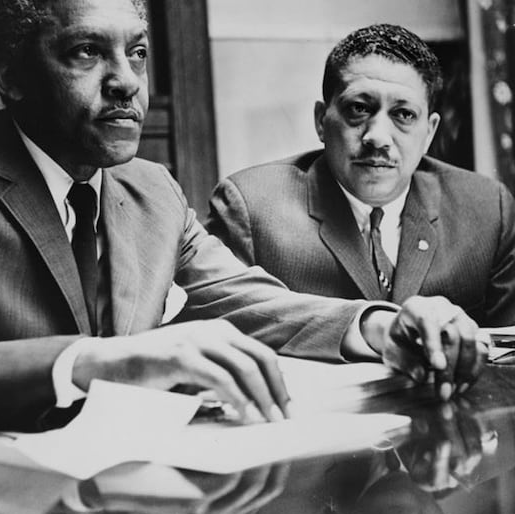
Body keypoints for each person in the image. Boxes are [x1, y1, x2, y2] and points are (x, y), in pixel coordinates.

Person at [0, 0, 483, 433]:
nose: (128, 81)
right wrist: (92, 362)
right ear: (10, 75)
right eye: (86, 51)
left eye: (137, 52)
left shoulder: (150, 189)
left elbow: (252, 301)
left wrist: (383, 326)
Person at [207, 23, 513, 353]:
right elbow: (216, 339)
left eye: (404, 114)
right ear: (321, 120)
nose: (378, 137)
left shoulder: (487, 209)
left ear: (429, 132)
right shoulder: (251, 207)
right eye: (359, 109)